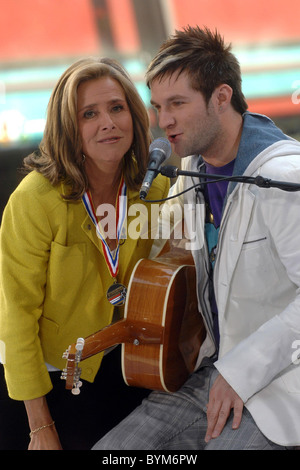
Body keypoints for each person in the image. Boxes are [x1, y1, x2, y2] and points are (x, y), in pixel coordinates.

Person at [93, 26, 300, 451]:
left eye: (177, 104)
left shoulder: (281, 177)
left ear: (221, 97)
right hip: (210, 369)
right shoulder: (191, 166)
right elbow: (162, 247)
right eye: (157, 106)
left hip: (281, 380)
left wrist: (240, 372)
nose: (162, 120)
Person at [0, 57, 169, 450]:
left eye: (116, 107)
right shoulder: (34, 200)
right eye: (88, 114)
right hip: (43, 385)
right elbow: (16, 318)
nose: (107, 122)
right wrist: (40, 426)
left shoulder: (155, 189)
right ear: (68, 130)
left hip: (118, 367)